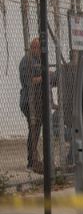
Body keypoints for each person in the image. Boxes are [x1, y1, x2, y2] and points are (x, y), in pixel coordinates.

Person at [19, 37, 43, 172]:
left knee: (36, 129)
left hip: (38, 101)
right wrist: (44, 77)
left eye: (39, 48)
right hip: (29, 101)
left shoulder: (38, 60)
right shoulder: (26, 61)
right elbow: (29, 81)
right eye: (36, 48)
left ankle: (34, 158)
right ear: (33, 48)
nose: (38, 51)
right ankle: (31, 160)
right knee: (33, 129)